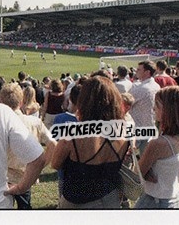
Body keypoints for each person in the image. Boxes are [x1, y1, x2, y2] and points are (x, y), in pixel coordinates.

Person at [51, 76, 129, 209]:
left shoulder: (72, 134)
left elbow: (55, 164)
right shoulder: (124, 133)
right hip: (110, 200)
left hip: (76, 203)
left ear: (84, 101)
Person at [134, 86, 179, 209]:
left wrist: (136, 160)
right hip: (176, 197)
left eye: (157, 105)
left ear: (170, 110)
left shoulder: (159, 144)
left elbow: (137, 175)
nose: (153, 109)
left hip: (155, 201)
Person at [0, 83, 56, 209]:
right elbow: (53, 144)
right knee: (24, 209)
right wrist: (41, 165)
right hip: (26, 177)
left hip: (4, 177)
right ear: (21, 101)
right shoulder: (34, 122)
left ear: (1, 101)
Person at [0, 102, 45, 209]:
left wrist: (21, 188)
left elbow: (38, 159)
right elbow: (38, 159)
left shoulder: (2, 112)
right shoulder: (1, 112)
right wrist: (20, 188)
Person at [53, 84, 82, 199]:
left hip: (65, 168)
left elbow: (56, 142)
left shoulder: (60, 119)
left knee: (64, 197)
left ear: (70, 99)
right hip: (83, 168)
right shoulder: (93, 120)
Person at [129, 61, 160, 154]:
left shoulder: (141, 88)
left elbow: (126, 103)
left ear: (147, 72)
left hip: (137, 127)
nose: (136, 71)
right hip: (150, 125)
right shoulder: (156, 86)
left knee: (128, 157)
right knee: (145, 157)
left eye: (139, 70)